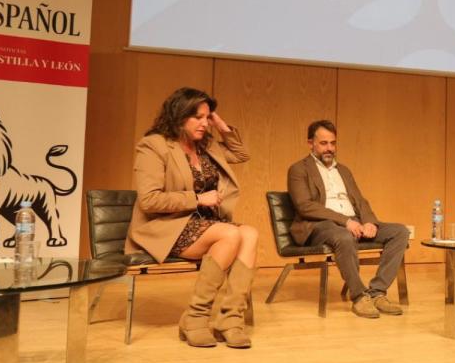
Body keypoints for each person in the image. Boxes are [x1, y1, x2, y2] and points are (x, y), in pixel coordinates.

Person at [126, 87, 259, 348]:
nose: (203, 123)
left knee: (250, 233)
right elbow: (149, 200)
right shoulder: (154, 145)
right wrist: (197, 199)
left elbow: (242, 155)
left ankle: (229, 319)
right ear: (178, 115)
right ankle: (195, 318)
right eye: (197, 117)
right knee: (230, 233)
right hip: (167, 226)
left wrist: (221, 125)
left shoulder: (206, 145)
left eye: (207, 117)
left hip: (207, 225)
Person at [287, 120, 409, 319]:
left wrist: (369, 222)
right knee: (344, 237)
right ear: (311, 143)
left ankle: (377, 292)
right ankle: (359, 296)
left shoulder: (343, 170)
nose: (329, 148)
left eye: (333, 143)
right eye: (324, 143)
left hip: (354, 223)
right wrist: (346, 221)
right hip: (320, 225)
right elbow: (305, 206)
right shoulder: (298, 170)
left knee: (400, 232)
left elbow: (360, 201)